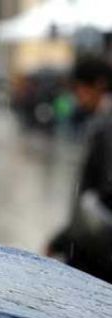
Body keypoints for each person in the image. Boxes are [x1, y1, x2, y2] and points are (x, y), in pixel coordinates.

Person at [47, 57, 112, 283]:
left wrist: (66, 240)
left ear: (99, 85)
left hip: (97, 257)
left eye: (79, 89)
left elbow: (101, 196)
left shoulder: (106, 126)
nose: (77, 97)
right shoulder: (100, 123)